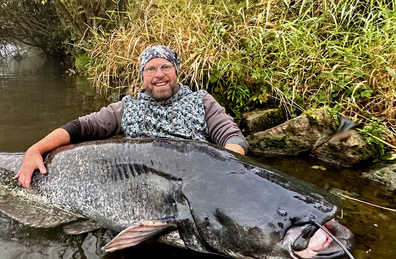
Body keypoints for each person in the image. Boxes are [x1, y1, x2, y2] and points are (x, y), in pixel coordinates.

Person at [14, 45, 249, 188]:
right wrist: (36, 150)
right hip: (138, 190)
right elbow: (80, 127)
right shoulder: (126, 108)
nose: (159, 75)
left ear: (176, 71)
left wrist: (219, 171)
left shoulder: (202, 101)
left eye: (166, 67)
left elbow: (234, 139)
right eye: (151, 69)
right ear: (142, 76)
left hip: (194, 186)